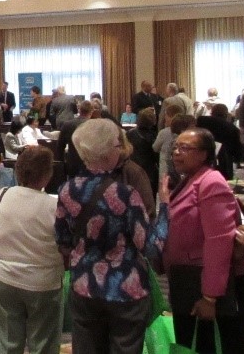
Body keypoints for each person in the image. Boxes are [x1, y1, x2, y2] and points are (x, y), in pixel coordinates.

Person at [55, 119, 170, 354]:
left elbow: (63, 241)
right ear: (107, 152)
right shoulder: (126, 194)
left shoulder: (67, 190)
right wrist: (166, 208)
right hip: (125, 290)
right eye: (118, 145)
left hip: (83, 286)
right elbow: (150, 247)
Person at [164, 128, 244, 354]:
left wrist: (210, 297)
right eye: (176, 147)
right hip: (188, 277)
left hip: (209, 282)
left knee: (218, 344)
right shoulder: (190, 179)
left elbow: (219, 241)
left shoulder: (211, 182)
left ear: (204, 154)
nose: (177, 152)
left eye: (185, 148)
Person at [0, 146, 64, 354]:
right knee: (43, 344)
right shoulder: (53, 206)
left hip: (4, 278)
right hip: (43, 282)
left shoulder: (2, 195)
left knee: (7, 342)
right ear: (47, 175)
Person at [197, 103, 243, 181]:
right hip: (224, 161)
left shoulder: (201, 121)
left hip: (203, 157)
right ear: (226, 114)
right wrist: (237, 160)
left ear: (212, 112)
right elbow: (237, 149)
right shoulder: (232, 128)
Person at [126, 107, 159, 192]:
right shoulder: (153, 136)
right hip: (149, 171)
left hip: (132, 169)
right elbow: (156, 155)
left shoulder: (129, 133)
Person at [60, 100, 95, 176]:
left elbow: (60, 146)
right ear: (91, 112)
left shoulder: (67, 125)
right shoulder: (94, 126)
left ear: (79, 110)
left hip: (72, 163)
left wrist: (61, 166)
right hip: (90, 164)